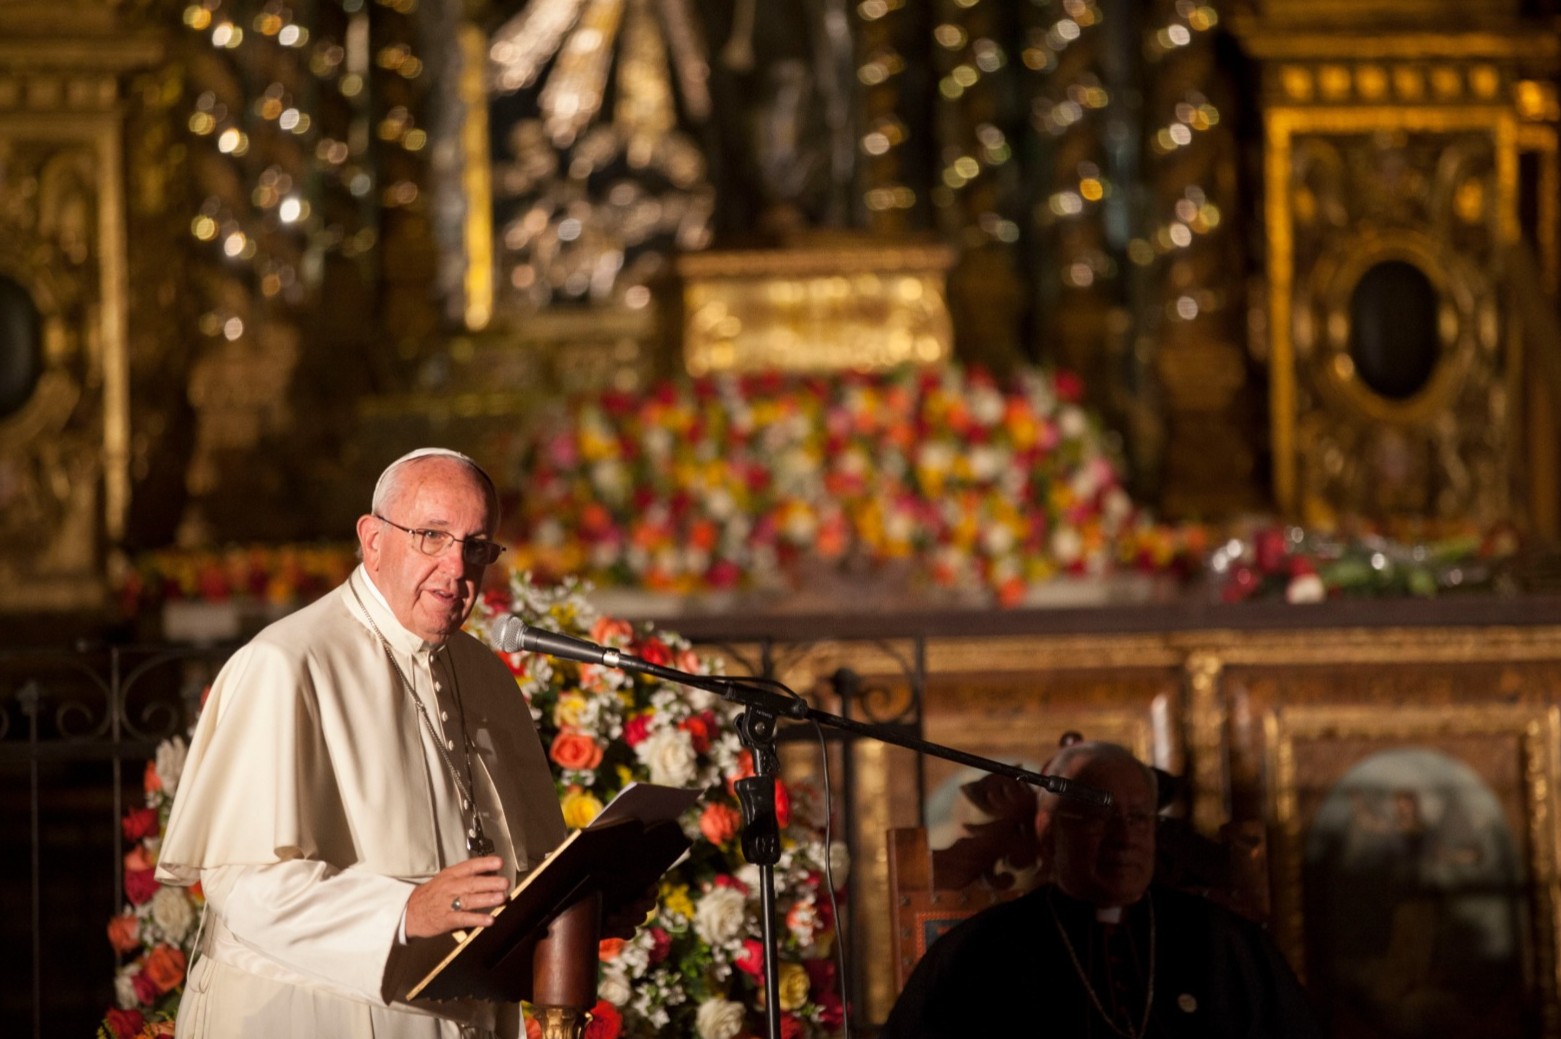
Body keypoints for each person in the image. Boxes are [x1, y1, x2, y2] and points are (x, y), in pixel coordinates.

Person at [157, 448, 568, 1038]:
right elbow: (243, 887)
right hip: (315, 1018)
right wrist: (404, 912)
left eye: (476, 547)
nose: (456, 567)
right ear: (372, 540)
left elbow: (524, 863)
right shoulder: (287, 664)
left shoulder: (485, 675)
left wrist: (582, 899)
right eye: (431, 536)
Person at [880, 741, 1325, 1039]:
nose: (1124, 838)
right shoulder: (978, 953)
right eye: (1098, 818)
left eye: (1139, 819)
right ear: (1049, 831)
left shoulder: (1226, 944)